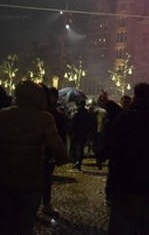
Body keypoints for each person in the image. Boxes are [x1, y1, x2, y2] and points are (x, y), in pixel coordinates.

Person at [0, 81, 67, 235]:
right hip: (30, 183)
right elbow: (57, 150)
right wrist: (60, 158)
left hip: (4, 181)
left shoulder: (2, 115)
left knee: (4, 225)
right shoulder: (44, 118)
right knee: (25, 225)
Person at [105, 82, 149, 235]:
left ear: (135, 98)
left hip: (125, 182)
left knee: (122, 227)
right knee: (147, 227)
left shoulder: (124, 120)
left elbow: (113, 148)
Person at [41, 86, 68, 217]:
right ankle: (45, 204)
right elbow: (61, 135)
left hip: (44, 153)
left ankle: (42, 203)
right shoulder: (54, 114)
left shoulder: (50, 113)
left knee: (44, 178)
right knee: (45, 179)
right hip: (46, 153)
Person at [69, 100, 93, 171]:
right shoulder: (87, 113)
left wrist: (70, 131)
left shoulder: (77, 113)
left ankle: (77, 161)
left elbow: (73, 123)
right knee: (81, 148)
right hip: (84, 132)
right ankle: (79, 162)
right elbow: (90, 122)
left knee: (74, 147)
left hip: (76, 132)